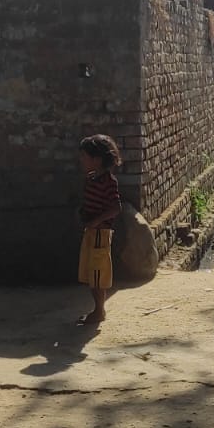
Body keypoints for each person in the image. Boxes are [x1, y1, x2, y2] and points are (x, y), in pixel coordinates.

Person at [76, 134, 124, 327]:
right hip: (91, 231)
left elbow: (115, 208)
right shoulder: (92, 179)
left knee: (97, 273)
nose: (81, 160)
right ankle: (97, 309)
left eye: (84, 156)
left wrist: (96, 221)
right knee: (91, 271)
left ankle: (99, 310)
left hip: (100, 233)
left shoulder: (108, 182)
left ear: (96, 159)